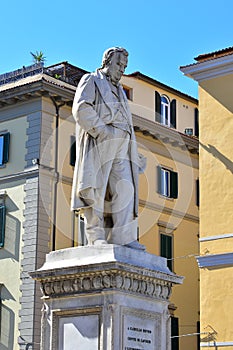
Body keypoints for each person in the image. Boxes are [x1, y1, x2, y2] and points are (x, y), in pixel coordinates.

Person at [71, 47, 146, 249]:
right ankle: (95, 236)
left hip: (122, 145)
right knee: (96, 187)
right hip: (101, 140)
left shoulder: (121, 91)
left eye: (124, 66)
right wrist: (102, 130)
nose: (122, 69)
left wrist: (134, 152)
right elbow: (81, 108)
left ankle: (123, 237)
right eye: (119, 64)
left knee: (125, 189)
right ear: (107, 62)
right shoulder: (91, 80)